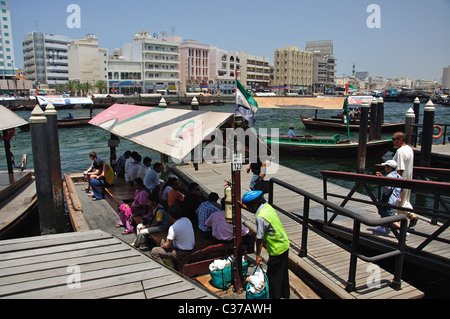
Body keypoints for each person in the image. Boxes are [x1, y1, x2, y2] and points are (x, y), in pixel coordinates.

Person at [238, 190, 290, 299]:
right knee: (283, 272)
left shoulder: (260, 218)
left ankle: (274, 296)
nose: (249, 207)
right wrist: (243, 207)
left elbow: (259, 238)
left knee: (273, 276)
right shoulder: (267, 207)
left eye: (249, 205)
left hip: (276, 248)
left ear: (255, 204)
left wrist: (257, 256)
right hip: (284, 243)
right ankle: (285, 294)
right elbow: (256, 210)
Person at [392, 132, 418, 227]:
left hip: (401, 182)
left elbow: (400, 169)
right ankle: (412, 216)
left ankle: (399, 228)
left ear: (400, 140)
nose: (393, 141)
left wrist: (396, 185)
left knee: (395, 204)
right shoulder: (409, 149)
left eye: (394, 139)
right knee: (404, 202)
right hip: (408, 180)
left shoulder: (400, 152)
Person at [375, 160, 402, 234]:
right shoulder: (398, 176)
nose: (384, 169)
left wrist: (381, 180)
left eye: (385, 167)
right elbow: (402, 187)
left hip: (388, 199)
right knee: (383, 212)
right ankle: (382, 227)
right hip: (394, 199)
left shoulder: (389, 177)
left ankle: (402, 229)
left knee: (389, 215)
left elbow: (388, 187)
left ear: (389, 168)